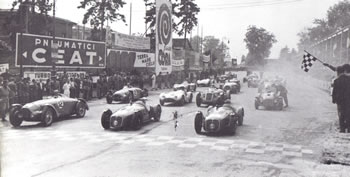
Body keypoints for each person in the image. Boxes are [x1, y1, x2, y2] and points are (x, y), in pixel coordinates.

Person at [332, 64, 350, 133]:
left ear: (338, 72)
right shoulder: (349, 79)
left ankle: (342, 129)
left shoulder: (336, 81)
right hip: (348, 100)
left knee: (341, 114)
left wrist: (334, 100)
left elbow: (334, 91)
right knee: (348, 114)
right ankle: (349, 129)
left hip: (340, 101)